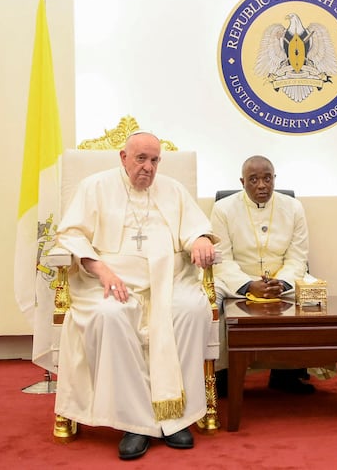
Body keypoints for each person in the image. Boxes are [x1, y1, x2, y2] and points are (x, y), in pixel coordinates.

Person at [53, 131, 217, 461]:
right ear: (123, 157)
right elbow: (71, 235)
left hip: (168, 282)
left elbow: (194, 227)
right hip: (108, 284)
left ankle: (176, 418)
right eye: (141, 159)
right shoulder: (95, 188)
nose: (148, 167)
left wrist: (200, 238)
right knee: (109, 316)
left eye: (155, 160)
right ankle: (136, 423)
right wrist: (102, 271)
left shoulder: (173, 190)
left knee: (191, 309)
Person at [210, 155, 316, 394]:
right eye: (254, 179)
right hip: (235, 278)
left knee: (313, 295)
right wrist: (248, 285)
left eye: (267, 178)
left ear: (274, 179)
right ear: (242, 181)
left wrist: (283, 282)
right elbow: (222, 259)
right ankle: (219, 374)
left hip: (281, 278)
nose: (261, 185)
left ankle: (289, 372)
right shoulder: (222, 209)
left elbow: (298, 256)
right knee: (209, 299)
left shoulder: (293, 207)